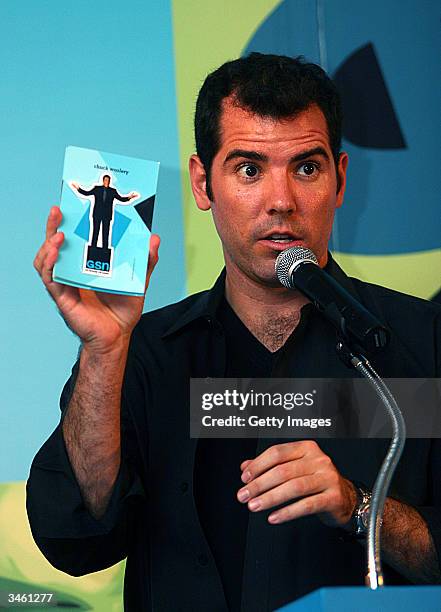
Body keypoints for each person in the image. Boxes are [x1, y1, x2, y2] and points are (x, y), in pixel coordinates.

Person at [27, 53, 441, 611]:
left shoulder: (420, 342)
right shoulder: (142, 353)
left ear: (340, 180)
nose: (281, 201)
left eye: (307, 168)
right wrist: (102, 351)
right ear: (203, 184)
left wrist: (357, 505)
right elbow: (74, 539)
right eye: (249, 169)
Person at [71, 174, 138, 250]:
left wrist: (130, 197)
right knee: (95, 232)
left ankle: (105, 250)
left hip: (107, 215)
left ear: (110, 182)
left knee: (106, 233)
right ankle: (93, 249)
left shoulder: (113, 191)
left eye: (108, 180)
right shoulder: (97, 189)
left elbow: (121, 199)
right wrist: (78, 188)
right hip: (97, 214)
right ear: (103, 181)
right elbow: (86, 193)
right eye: (105, 180)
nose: (107, 181)